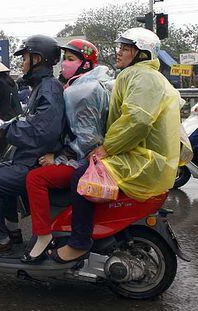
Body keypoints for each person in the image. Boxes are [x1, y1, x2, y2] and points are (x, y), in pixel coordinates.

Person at [49, 28, 182, 263]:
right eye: (119, 47)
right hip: (142, 155)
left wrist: (107, 148)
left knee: (81, 176)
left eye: (125, 48)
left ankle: (79, 242)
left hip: (144, 160)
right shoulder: (135, 75)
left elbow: (137, 120)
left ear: (141, 53)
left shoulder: (143, 77)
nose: (119, 52)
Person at [0, 35, 65, 256]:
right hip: (28, 157)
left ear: (37, 59)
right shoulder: (41, 87)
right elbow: (26, 119)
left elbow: (42, 131)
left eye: (25, 58)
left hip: (33, 162)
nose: (22, 64)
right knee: (0, 172)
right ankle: (13, 234)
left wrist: (3, 130)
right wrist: (3, 126)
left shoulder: (48, 89)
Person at [22, 39, 110, 263]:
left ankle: (43, 235)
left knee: (35, 178)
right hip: (83, 157)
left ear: (86, 64)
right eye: (64, 59)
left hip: (83, 162)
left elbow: (87, 140)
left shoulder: (82, 91)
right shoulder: (80, 85)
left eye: (71, 59)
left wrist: (59, 157)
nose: (64, 64)